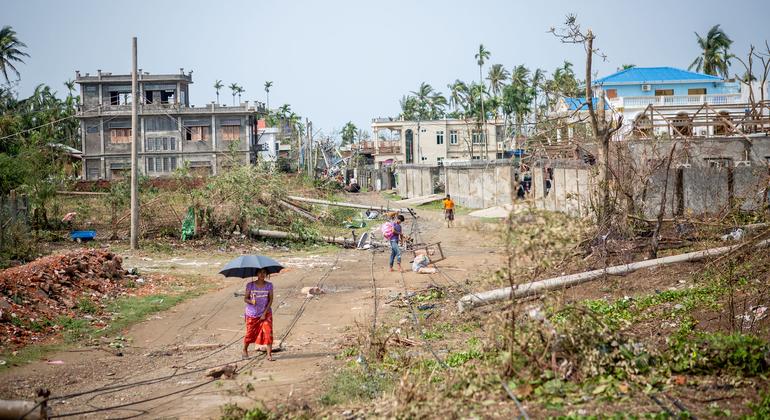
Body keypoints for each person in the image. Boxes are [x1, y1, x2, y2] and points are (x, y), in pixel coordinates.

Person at [242, 269, 274, 361]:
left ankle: (269, 354)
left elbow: (270, 300)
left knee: (268, 332)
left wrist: (264, 313)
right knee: (250, 333)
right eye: (260, 272)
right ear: (256, 274)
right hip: (252, 313)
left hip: (266, 312)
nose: (262, 274)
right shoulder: (250, 285)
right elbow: (245, 299)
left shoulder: (269, 285)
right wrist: (251, 301)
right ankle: (245, 349)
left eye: (264, 272)